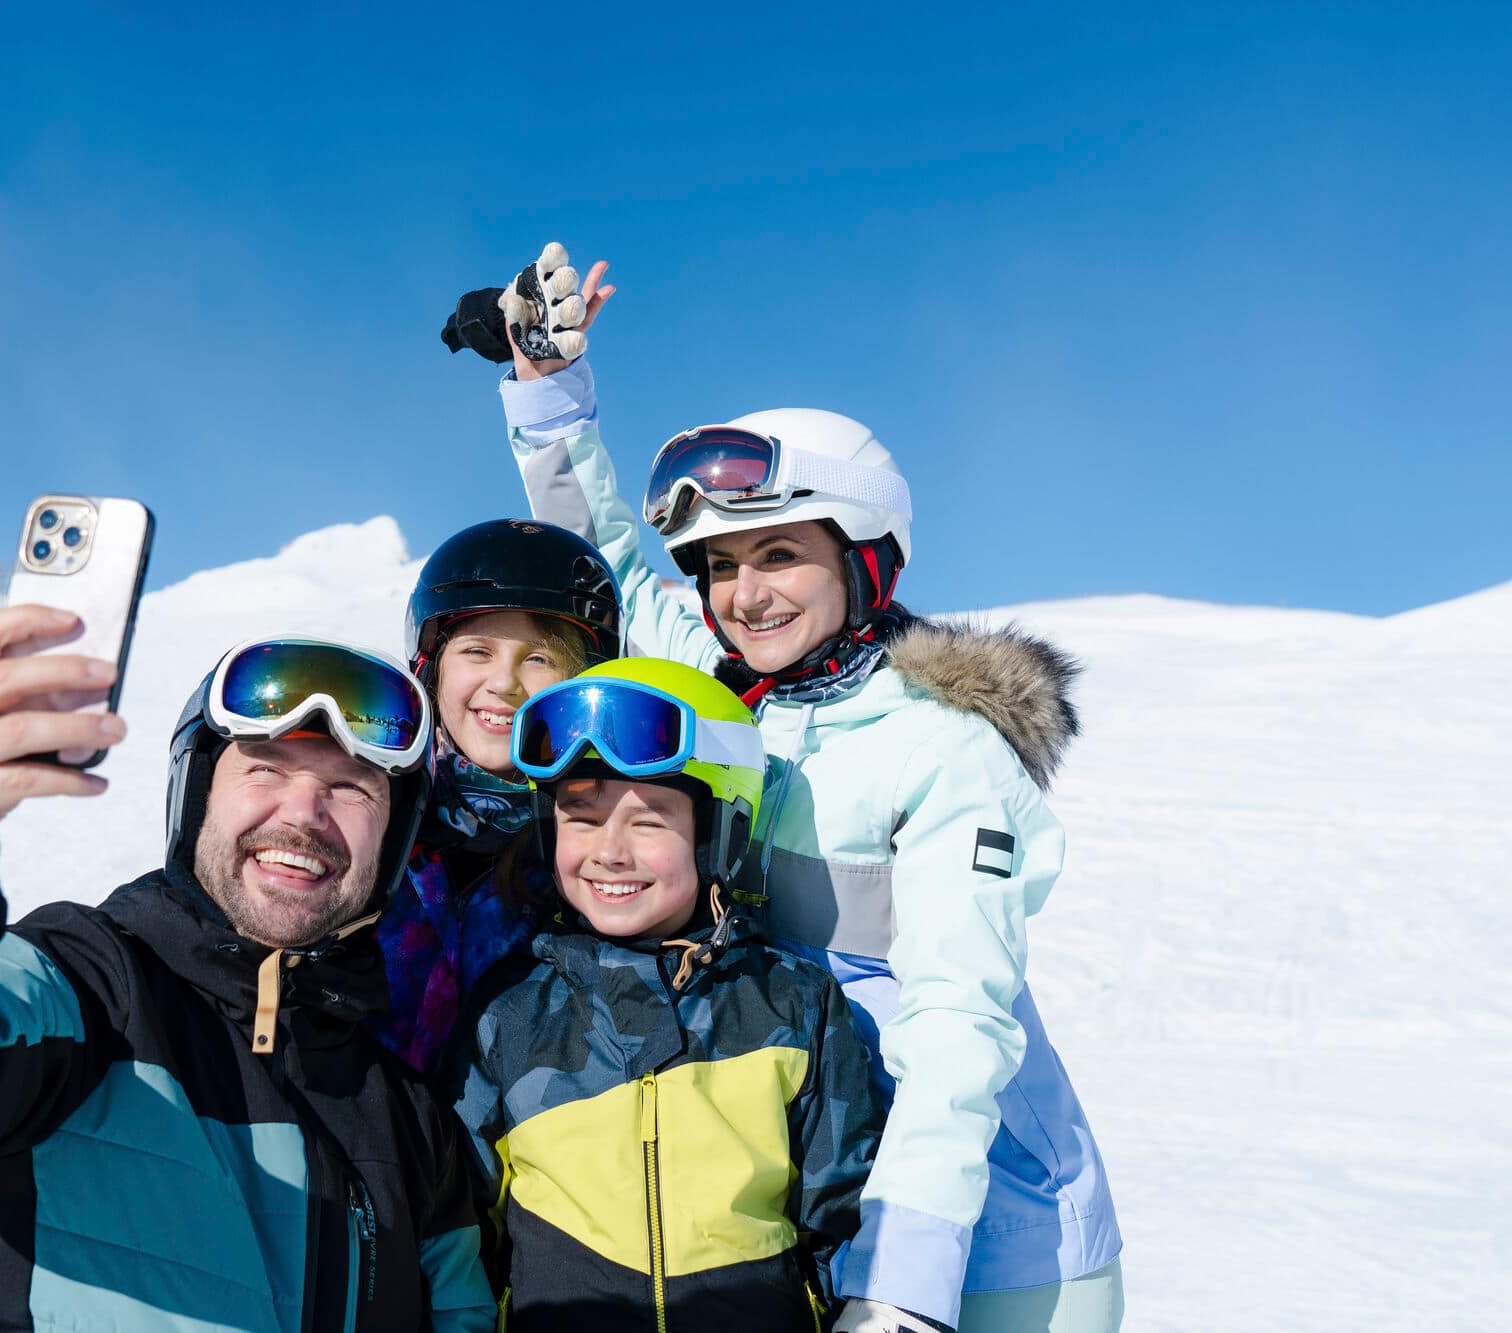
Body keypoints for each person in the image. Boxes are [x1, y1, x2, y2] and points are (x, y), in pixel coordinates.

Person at [453, 245, 1124, 1332]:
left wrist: (903, 1283)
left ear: (863, 559)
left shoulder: (943, 746)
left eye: (776, 556)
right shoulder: (719, 694)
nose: (741, 595)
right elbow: (610, 568)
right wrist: (545, 393)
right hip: (796, 1191)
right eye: (717, 566)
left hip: (984, 1225)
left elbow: (957, 1018)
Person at [0, 607, 497, 1331]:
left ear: (394, 840)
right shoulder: (92, 986)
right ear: (198, 797)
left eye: (351, 788)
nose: (304, 813)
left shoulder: (412, 1127)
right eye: (266, 767)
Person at [450, 658, 885, 1329]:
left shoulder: (793, 1005)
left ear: (719, 832)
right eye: (581, 816)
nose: (610, 851)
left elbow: (843, 1218)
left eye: (649, 819)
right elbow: (464, 1237)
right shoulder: (508, 1016)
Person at [372, 519, 621, 1074]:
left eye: (539, 659)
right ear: (431, 668)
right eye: (477, 652)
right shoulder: (371, 809)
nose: (504, 684)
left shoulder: (598, 845)